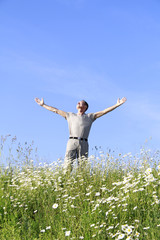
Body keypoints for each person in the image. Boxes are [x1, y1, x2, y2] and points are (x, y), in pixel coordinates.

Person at [35, 97, 127, 172]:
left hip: (84, 142)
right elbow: (55, 110)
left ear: (85, 106)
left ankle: (80, 185)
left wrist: (117, 105)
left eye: (81, 102)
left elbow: (104, 111)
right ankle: (64, 182)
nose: (78, 103)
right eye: (78, 102)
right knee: (68, 164)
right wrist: (43, 105)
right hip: (72, 141)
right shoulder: (70, 115)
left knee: (82, 166)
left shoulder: (90, 117)